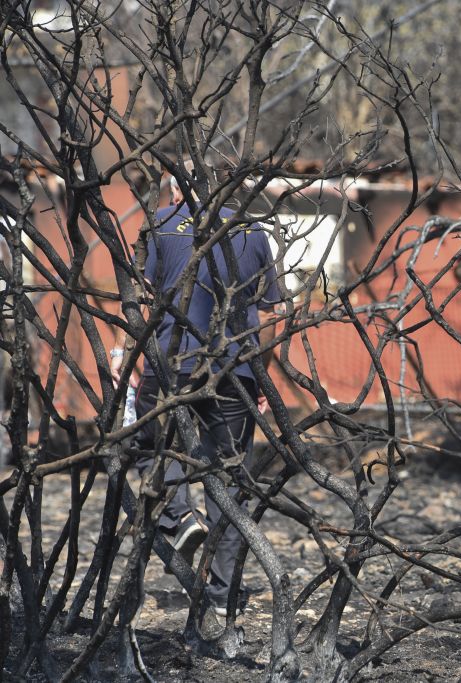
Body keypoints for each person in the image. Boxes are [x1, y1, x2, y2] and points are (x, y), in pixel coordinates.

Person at [111, 164, 282, 615]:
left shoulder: (160, 224)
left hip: (173, 364)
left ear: (174, 189)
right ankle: (223, 596)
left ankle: (180, 516)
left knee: (152, 443)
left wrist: (128, 356)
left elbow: (142, 300)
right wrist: (260, 374)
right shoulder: (251, 229)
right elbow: (272, 312)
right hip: (235, 369)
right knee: (229, 478)